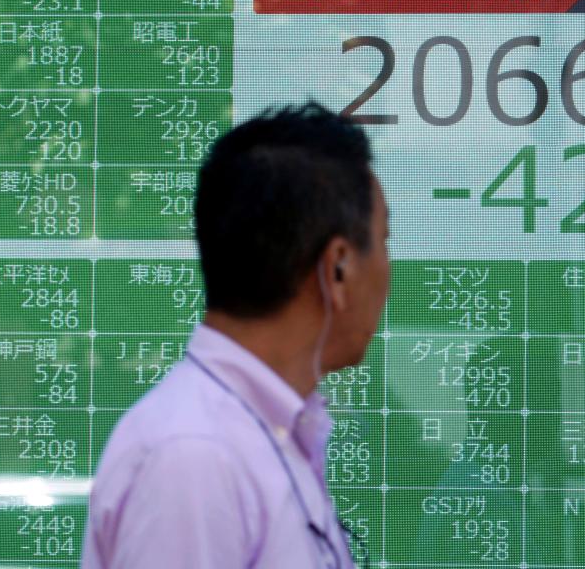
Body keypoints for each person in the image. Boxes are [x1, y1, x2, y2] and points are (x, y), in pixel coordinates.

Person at [82, 103, 390, 568]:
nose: (388, 271)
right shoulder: (194, 459)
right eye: (384, 242)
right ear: (338, 268)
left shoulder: (265, 433)